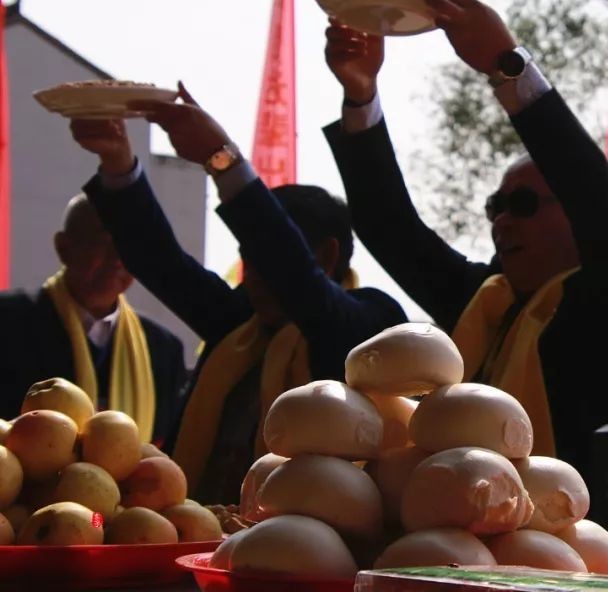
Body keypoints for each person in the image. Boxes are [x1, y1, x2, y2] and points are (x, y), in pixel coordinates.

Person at [321, 0, 608, 473]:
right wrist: (360, 94)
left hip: (583, 540)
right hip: (467, 530)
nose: (502, 220)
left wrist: (507, 63)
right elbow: (390, 228)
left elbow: (592, 192)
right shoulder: (485, 302)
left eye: (524, 203)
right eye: (495, 206)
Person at [70, 90, 405, 503]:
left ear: (327, 255)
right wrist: (118, 163)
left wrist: (220, 158)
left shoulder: (369, 327)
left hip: (305, 555)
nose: (255, 278)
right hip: (193, 539)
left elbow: (302, 284)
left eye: (265, 261)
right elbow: (162, 262)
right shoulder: (241, 324)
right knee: (96, 517)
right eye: (248, 260)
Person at [0, 195, 186, 442]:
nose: (117, 259)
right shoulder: (9, 322)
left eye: (127, 246)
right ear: (64, 248)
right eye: (103, 242)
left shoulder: (162, 349)